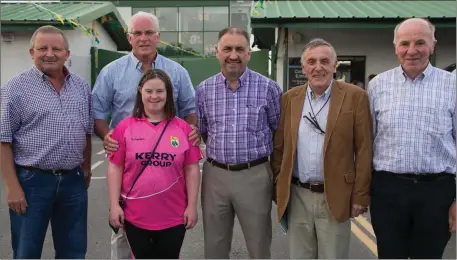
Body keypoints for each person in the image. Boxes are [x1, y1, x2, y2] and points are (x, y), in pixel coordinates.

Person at [91, 11, 200, 258]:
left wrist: (191, 133)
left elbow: (189, 109)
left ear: (158, 37)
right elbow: (97, 111)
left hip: (167, 167)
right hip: (127, 166)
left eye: (149, 32)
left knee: (166, 241)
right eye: (137, 33)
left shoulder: (177, 72)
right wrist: (107, 136)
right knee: (122, 237)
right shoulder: (111, 72)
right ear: (129, 38)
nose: (143, 38)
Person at [271, 38, 373, 259]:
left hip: (336, 194)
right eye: (312, 61)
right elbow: (279, 147)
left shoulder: (355, 97)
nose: (318, 67)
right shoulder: (289, 99)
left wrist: (360, 196)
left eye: (325, 61)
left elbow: (364, 149)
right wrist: (280, 186)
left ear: (335, 65)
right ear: (304, 67)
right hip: (297, 195)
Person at [0, 25, 93, 259]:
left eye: (56, 48)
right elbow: (3, 140)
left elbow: (87, 132)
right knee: (26, 252)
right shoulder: (15, 88)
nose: (49, 53)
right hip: (32, 182)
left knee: (73, 251)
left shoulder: (81, 86)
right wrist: (12, 187)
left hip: (73, 181)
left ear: (66, 54)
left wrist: (86, 169)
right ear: (32, 52)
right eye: (42, 48)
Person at [367, 18, 456, 259]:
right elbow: (369, 142)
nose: (412, 50)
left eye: (420, 42)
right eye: (404, 43)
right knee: (389, 255)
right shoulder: (377, 86)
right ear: (395, 47)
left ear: (433, 45)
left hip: (437, 192)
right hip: (388, 191)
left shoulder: (452, 85)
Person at [196, 26, 282, 259]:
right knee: (214, 245)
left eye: (239, 49)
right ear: (217, 52)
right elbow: (204, 131)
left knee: (259, 245)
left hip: (254, 175)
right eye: (227, 49)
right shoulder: (203, 90)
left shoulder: (269, 88)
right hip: (215, 175)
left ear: (248, 54)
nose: (233, 55)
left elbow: (278, 131)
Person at [107, 68, 202, 259]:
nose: (154, 96)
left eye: (160, 91)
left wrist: (192, 206)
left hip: (173, 215)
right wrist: (114, 205)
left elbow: (192, 169)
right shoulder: (125, 127)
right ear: (140, 92)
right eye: (149, 91)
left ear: (168, 94)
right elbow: (115, 167)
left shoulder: (183, 129)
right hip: (135, 215)